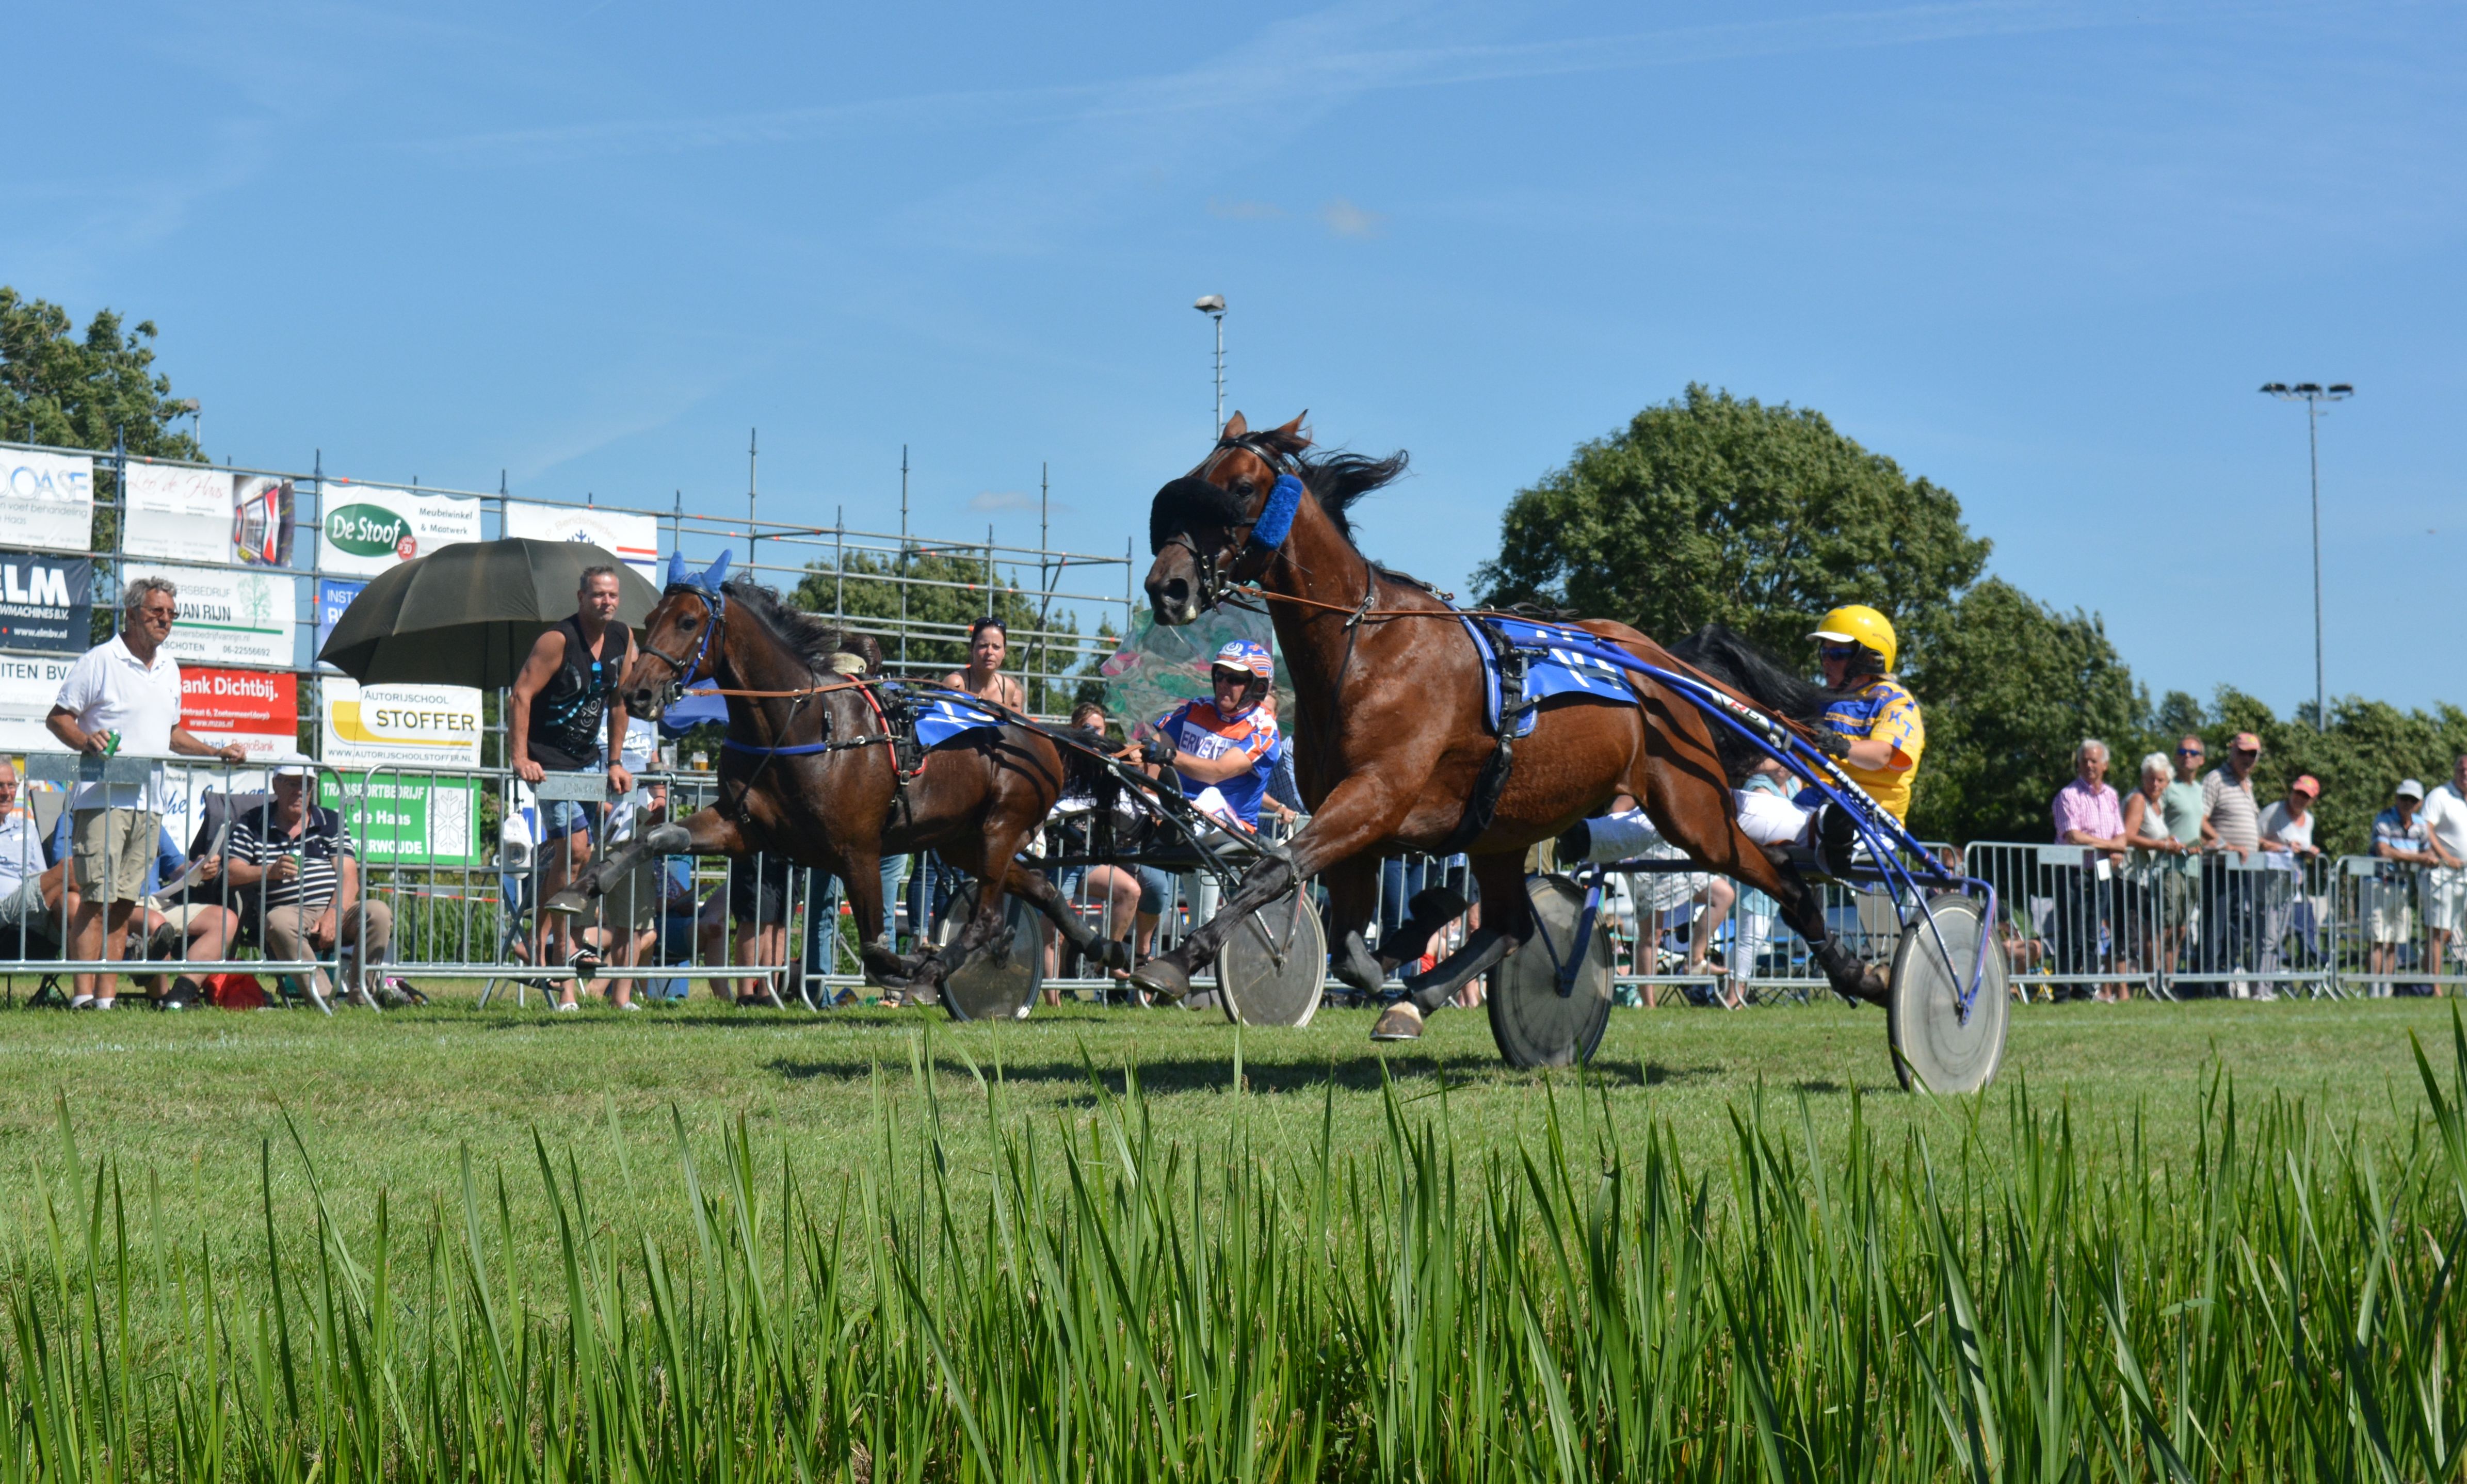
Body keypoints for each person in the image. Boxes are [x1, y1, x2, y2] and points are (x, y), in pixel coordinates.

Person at [45, 575, 247, 1009]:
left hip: (149, 804)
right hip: (102, 800)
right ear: (132, 614)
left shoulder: (170, 668)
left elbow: (171, 734)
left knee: (121, 904)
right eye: (157, 612)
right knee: (96, 899)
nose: (165, 620)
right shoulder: (101, 659)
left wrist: (214, 750)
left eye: (172, 614)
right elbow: (58, 718)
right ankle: (83, 999)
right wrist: (87, 742)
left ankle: (106, 999)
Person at [508, 565, 638, 985]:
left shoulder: (623, 637)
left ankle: (542, 941)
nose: (608, 602)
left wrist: (616, 761)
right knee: (574, 848)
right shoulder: (558, 639)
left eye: (613, 595)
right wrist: (519, 757)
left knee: (581, 854)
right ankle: (558, 944)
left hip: (590, 758)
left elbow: (619, 702)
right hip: (549, 761)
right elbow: (521, 694)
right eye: (599, 594)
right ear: (581, 597)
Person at [219, 757, 395, 1006]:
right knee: (278, 922)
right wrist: (269, 871)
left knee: (378, 912)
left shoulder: (330, 821)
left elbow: (349, 877)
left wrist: (334, 914)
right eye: (292, 784)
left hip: (336, 909)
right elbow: (231, 872)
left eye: (307, 785)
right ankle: (324, 998)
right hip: (288, 913)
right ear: (275, 785)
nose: (300, 791)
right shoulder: (252, 822)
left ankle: (362, 997)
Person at [1139, 639, 1283, 833]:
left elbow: (1217, 773)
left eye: (1233, 679)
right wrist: (1113, 755)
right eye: (1219, 676)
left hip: (1234, 829)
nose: (1223, 684)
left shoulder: (1264, 730)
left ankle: (1181, 827)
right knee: (1126, 793)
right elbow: (1153, 748)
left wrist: (1169, 756)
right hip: (1178, 810)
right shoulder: (1195, 709)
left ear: (1257, 688)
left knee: (1212, 795)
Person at [2051, 739, 2129, 1001]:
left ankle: (2085, 991)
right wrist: (2109, 846)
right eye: (2084, 760)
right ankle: (2063, 992)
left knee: (2094, 934)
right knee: (2070, 933)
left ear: (2105, 765)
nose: (2088, 765)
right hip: (2072, 871)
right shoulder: (2068, 795)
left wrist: (2111, 848)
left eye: (2094, 760)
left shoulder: (2111, 796)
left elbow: (2121, 836)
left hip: (2100, 871)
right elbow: (2073, 835)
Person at [2369, 780, 2458, 994]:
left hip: (2403, 887)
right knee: (2378, 939)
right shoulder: (2384, 818)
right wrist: (2418, 859)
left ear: (2419, 804)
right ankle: (2373, 989)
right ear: (2396, 798)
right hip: (2379, 885)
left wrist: (2420, 858)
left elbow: (2429, 854)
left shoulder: (2419, 825)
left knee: (2395, 941)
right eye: (2404, 798)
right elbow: (2384, 851)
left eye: (2412, 800)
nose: (2407, 803)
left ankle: (2388, 989)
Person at [2199, 732, 2266, 995]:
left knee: (2235, 930)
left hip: (2242, 870)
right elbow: (2200, 820)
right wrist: (2225, 845)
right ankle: (2207, 987)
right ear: (2231, 752)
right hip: (2218, 868)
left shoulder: (2248, 784)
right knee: (2215, 928)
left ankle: (2225, 985)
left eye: (2253, 754)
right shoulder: (2216, 779)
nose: (2247, 759)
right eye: (2242, 753)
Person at [2121, 752, 2191, 984]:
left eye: (2160, 780)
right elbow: (2128, 837)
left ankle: (2155, 982)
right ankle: (2126, 988)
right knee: (2131, 934)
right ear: (2143, 778)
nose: (2155, 784)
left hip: (2143, 878)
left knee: (2150, 931)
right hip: (2126, 876)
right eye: (2150, 778)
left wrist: (2173, 843)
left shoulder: (2157, 804)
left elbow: (2155, 835)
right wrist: (2163, 845)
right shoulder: (2138, 800)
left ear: (2167, 783)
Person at [0, 759, 74, 961]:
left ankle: (86, 990)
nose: (6, 792)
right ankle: (119, 937)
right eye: (0, 785)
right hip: (4, 913)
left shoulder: (27, 828)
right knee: (71, 868)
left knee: (73, 902)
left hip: (34, 914)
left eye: (12, 785)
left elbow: (41, 875)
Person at [2258, 773, 2326, 980]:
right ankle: (2260, 985)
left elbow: (2301, 850)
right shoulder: (2273, 811)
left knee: (2279, 938)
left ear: (2312, 800)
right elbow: (2254, 840)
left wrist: (2310, 852)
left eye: (2306, 796)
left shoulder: (2309, 821)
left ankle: (2270, 983)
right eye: (2298, 793)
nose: (2300, 798)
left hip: (2292, 887)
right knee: (2268, 937)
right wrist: (2282, 848)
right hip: (2267, 885)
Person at [2422, 755, 2467, 992]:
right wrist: (2446, 857)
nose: (2466, 773)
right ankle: (2434, 987)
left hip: (2465, 877)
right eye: (2462, 768)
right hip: (2443, 874)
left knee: (2451, 931)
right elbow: (2426, 827)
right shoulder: (2440, 795)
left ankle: (2425, 980)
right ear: (2455, 770)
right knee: (2439, 931)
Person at [940, 616, 1026, 711]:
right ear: (972, 649)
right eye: (983, 646)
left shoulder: (1007, 688)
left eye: (996, 647)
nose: (990, 652)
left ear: (1004, 652)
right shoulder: (956, 683)